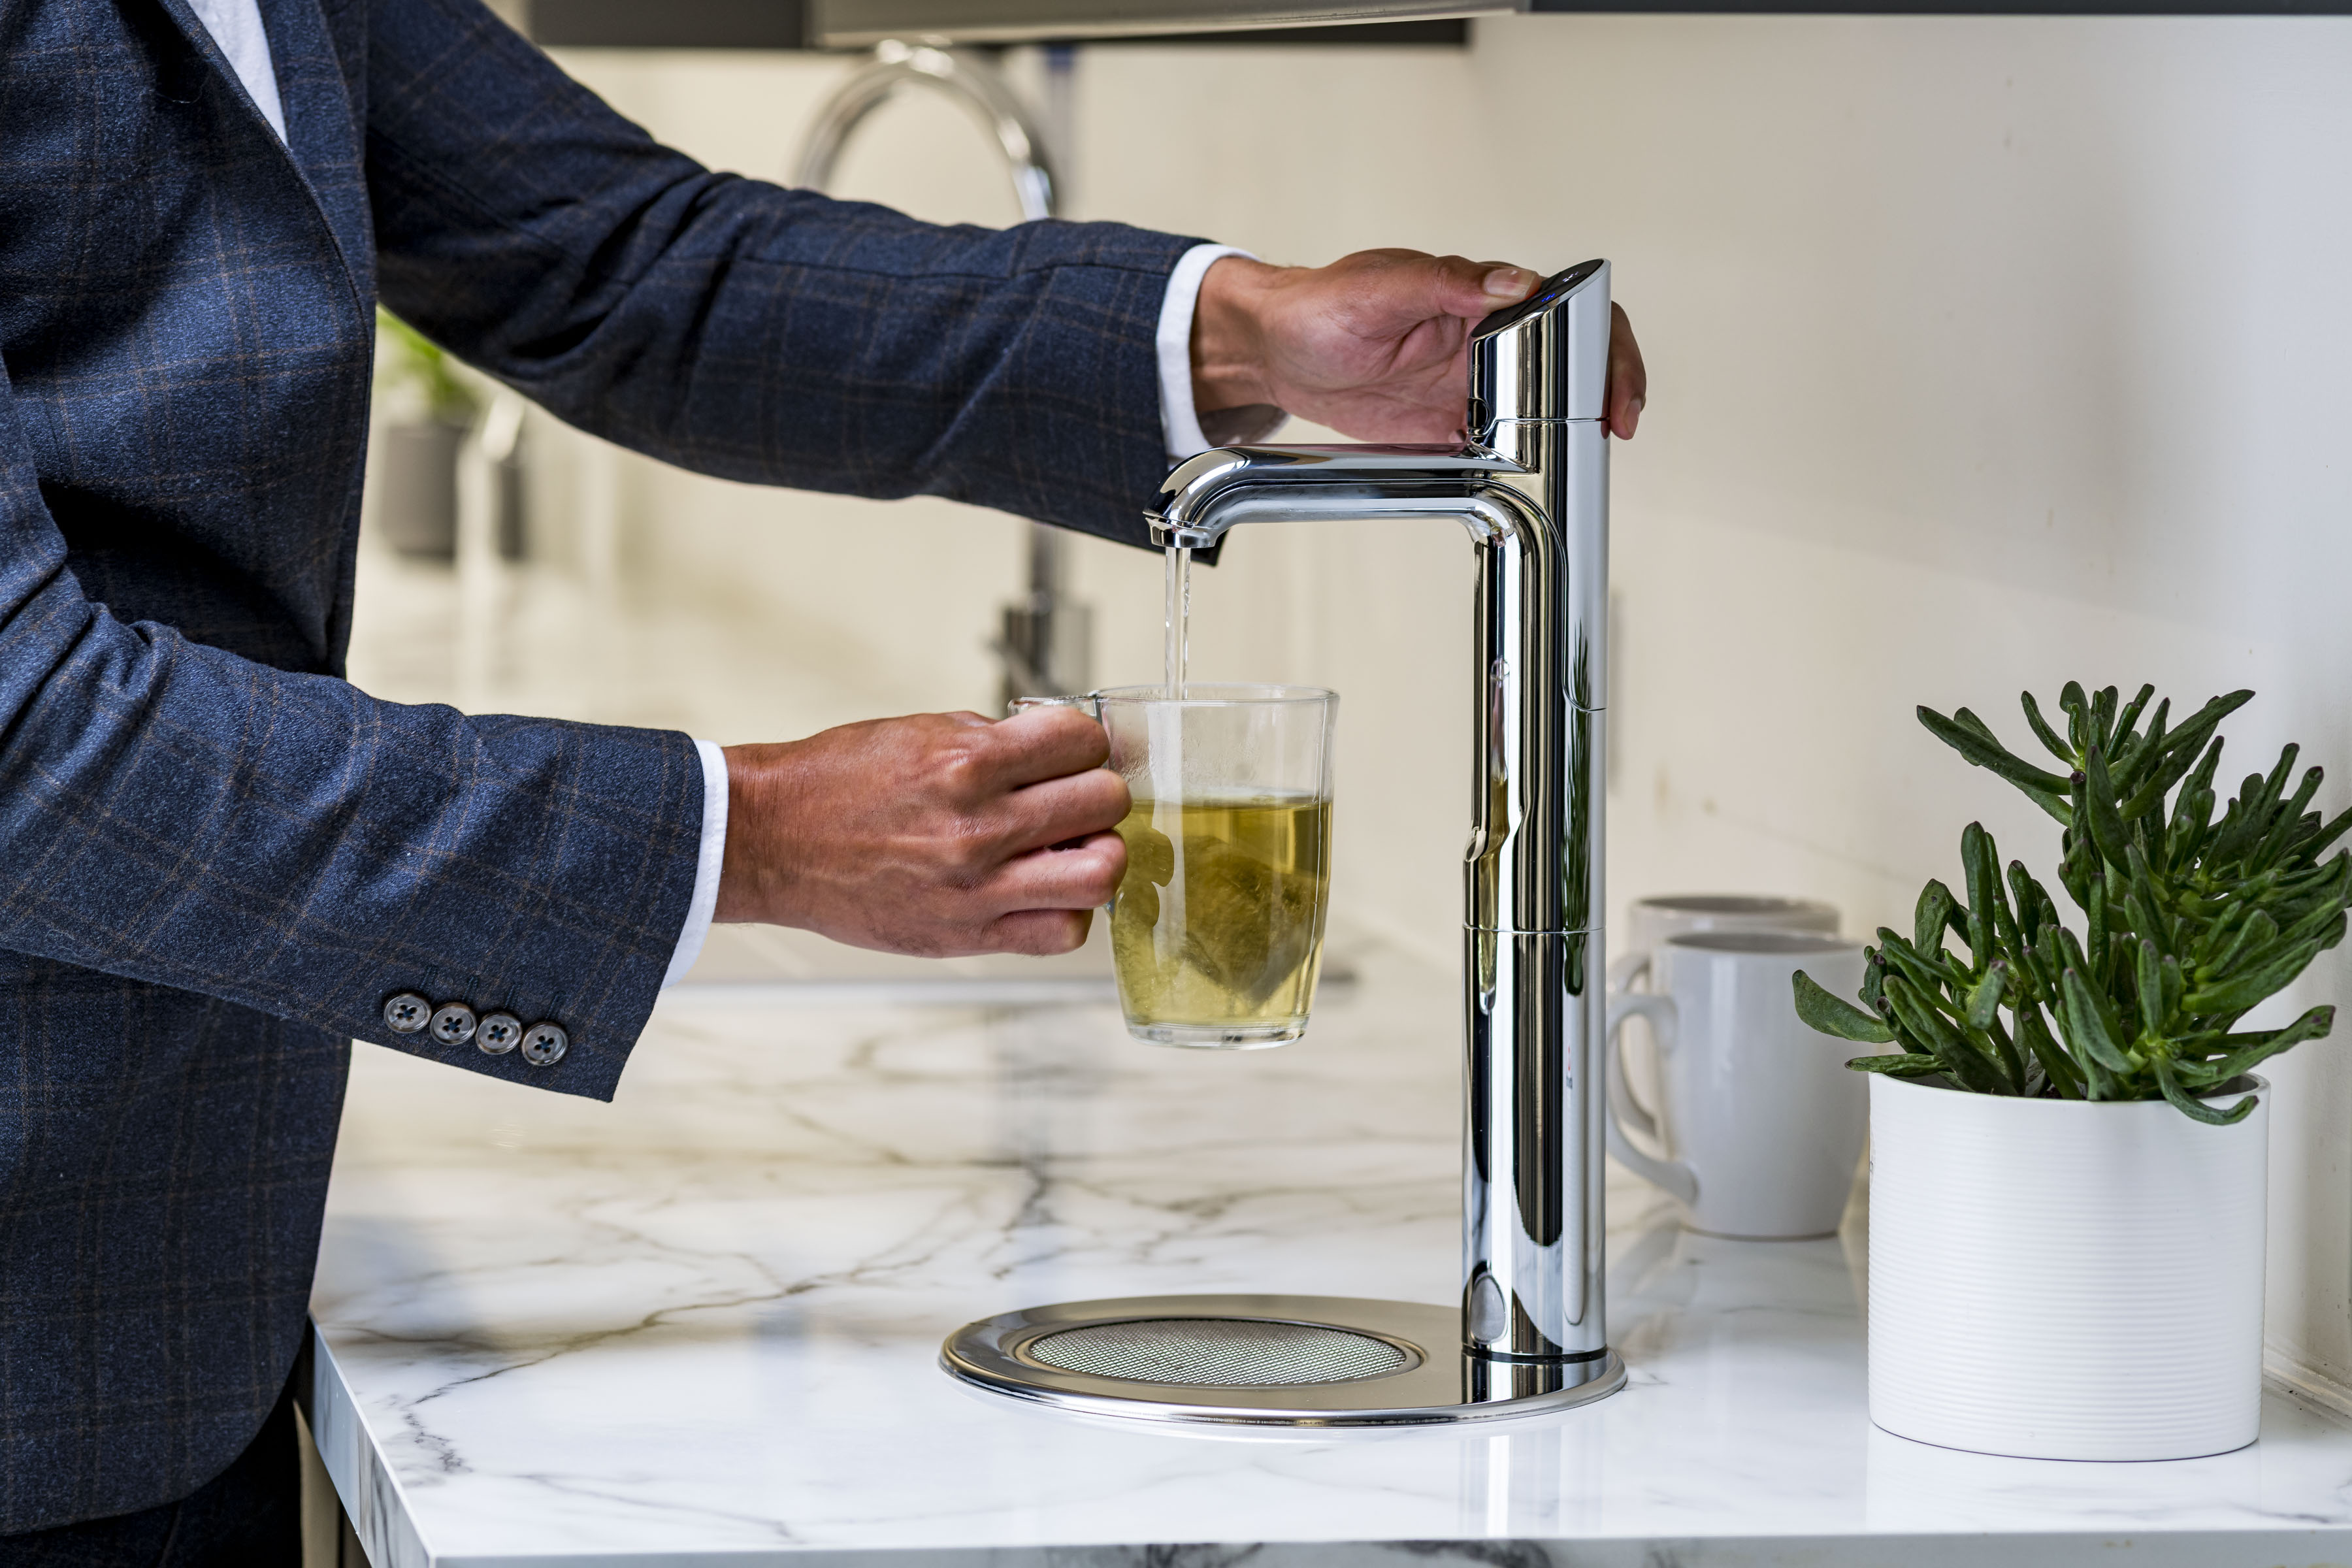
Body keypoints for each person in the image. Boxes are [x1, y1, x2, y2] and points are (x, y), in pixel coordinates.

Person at [0, 0, 1646, 1558]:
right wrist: (753, 835)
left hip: (160, 1292)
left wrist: (1236, 333)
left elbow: (625, 258)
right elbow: (29, 743)